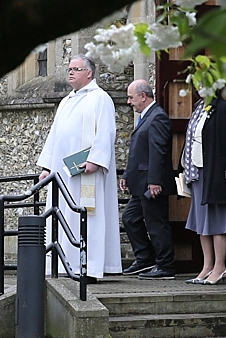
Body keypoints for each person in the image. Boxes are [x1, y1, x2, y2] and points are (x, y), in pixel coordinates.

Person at [37, 55, 122, 279]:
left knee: (86, 214)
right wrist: (47, 166)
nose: (71, 73)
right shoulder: (65, 101)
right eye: (69, 69)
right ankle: (64, 263)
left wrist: (96, 159)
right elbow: (55, 135)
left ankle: (88, 266)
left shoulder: (100, 98)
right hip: (62, 173)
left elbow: (106, 131)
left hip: (86, 172)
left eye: (76, 69)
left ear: (89, 73)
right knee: (62, 213)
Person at [181, 92, 226, 285]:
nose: (201, 86)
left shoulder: (225, 109)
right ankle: (207, 266)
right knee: (202, 222)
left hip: (216, 174)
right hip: (198, 173)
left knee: (217, 221)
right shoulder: (199, 107)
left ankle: (220, 266)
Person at [119, 80, 177, 279]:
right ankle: (145, 259)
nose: (129, 102)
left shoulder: (157, 117)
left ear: (143, 96)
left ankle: (166, 266)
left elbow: (158, 152)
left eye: (131, 97)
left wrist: (155, 181)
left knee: (156, 223)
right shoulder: (146, 117)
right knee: (130, 218)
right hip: (140, 183)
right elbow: (138, 152)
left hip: (151, 184)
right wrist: (127, 174)